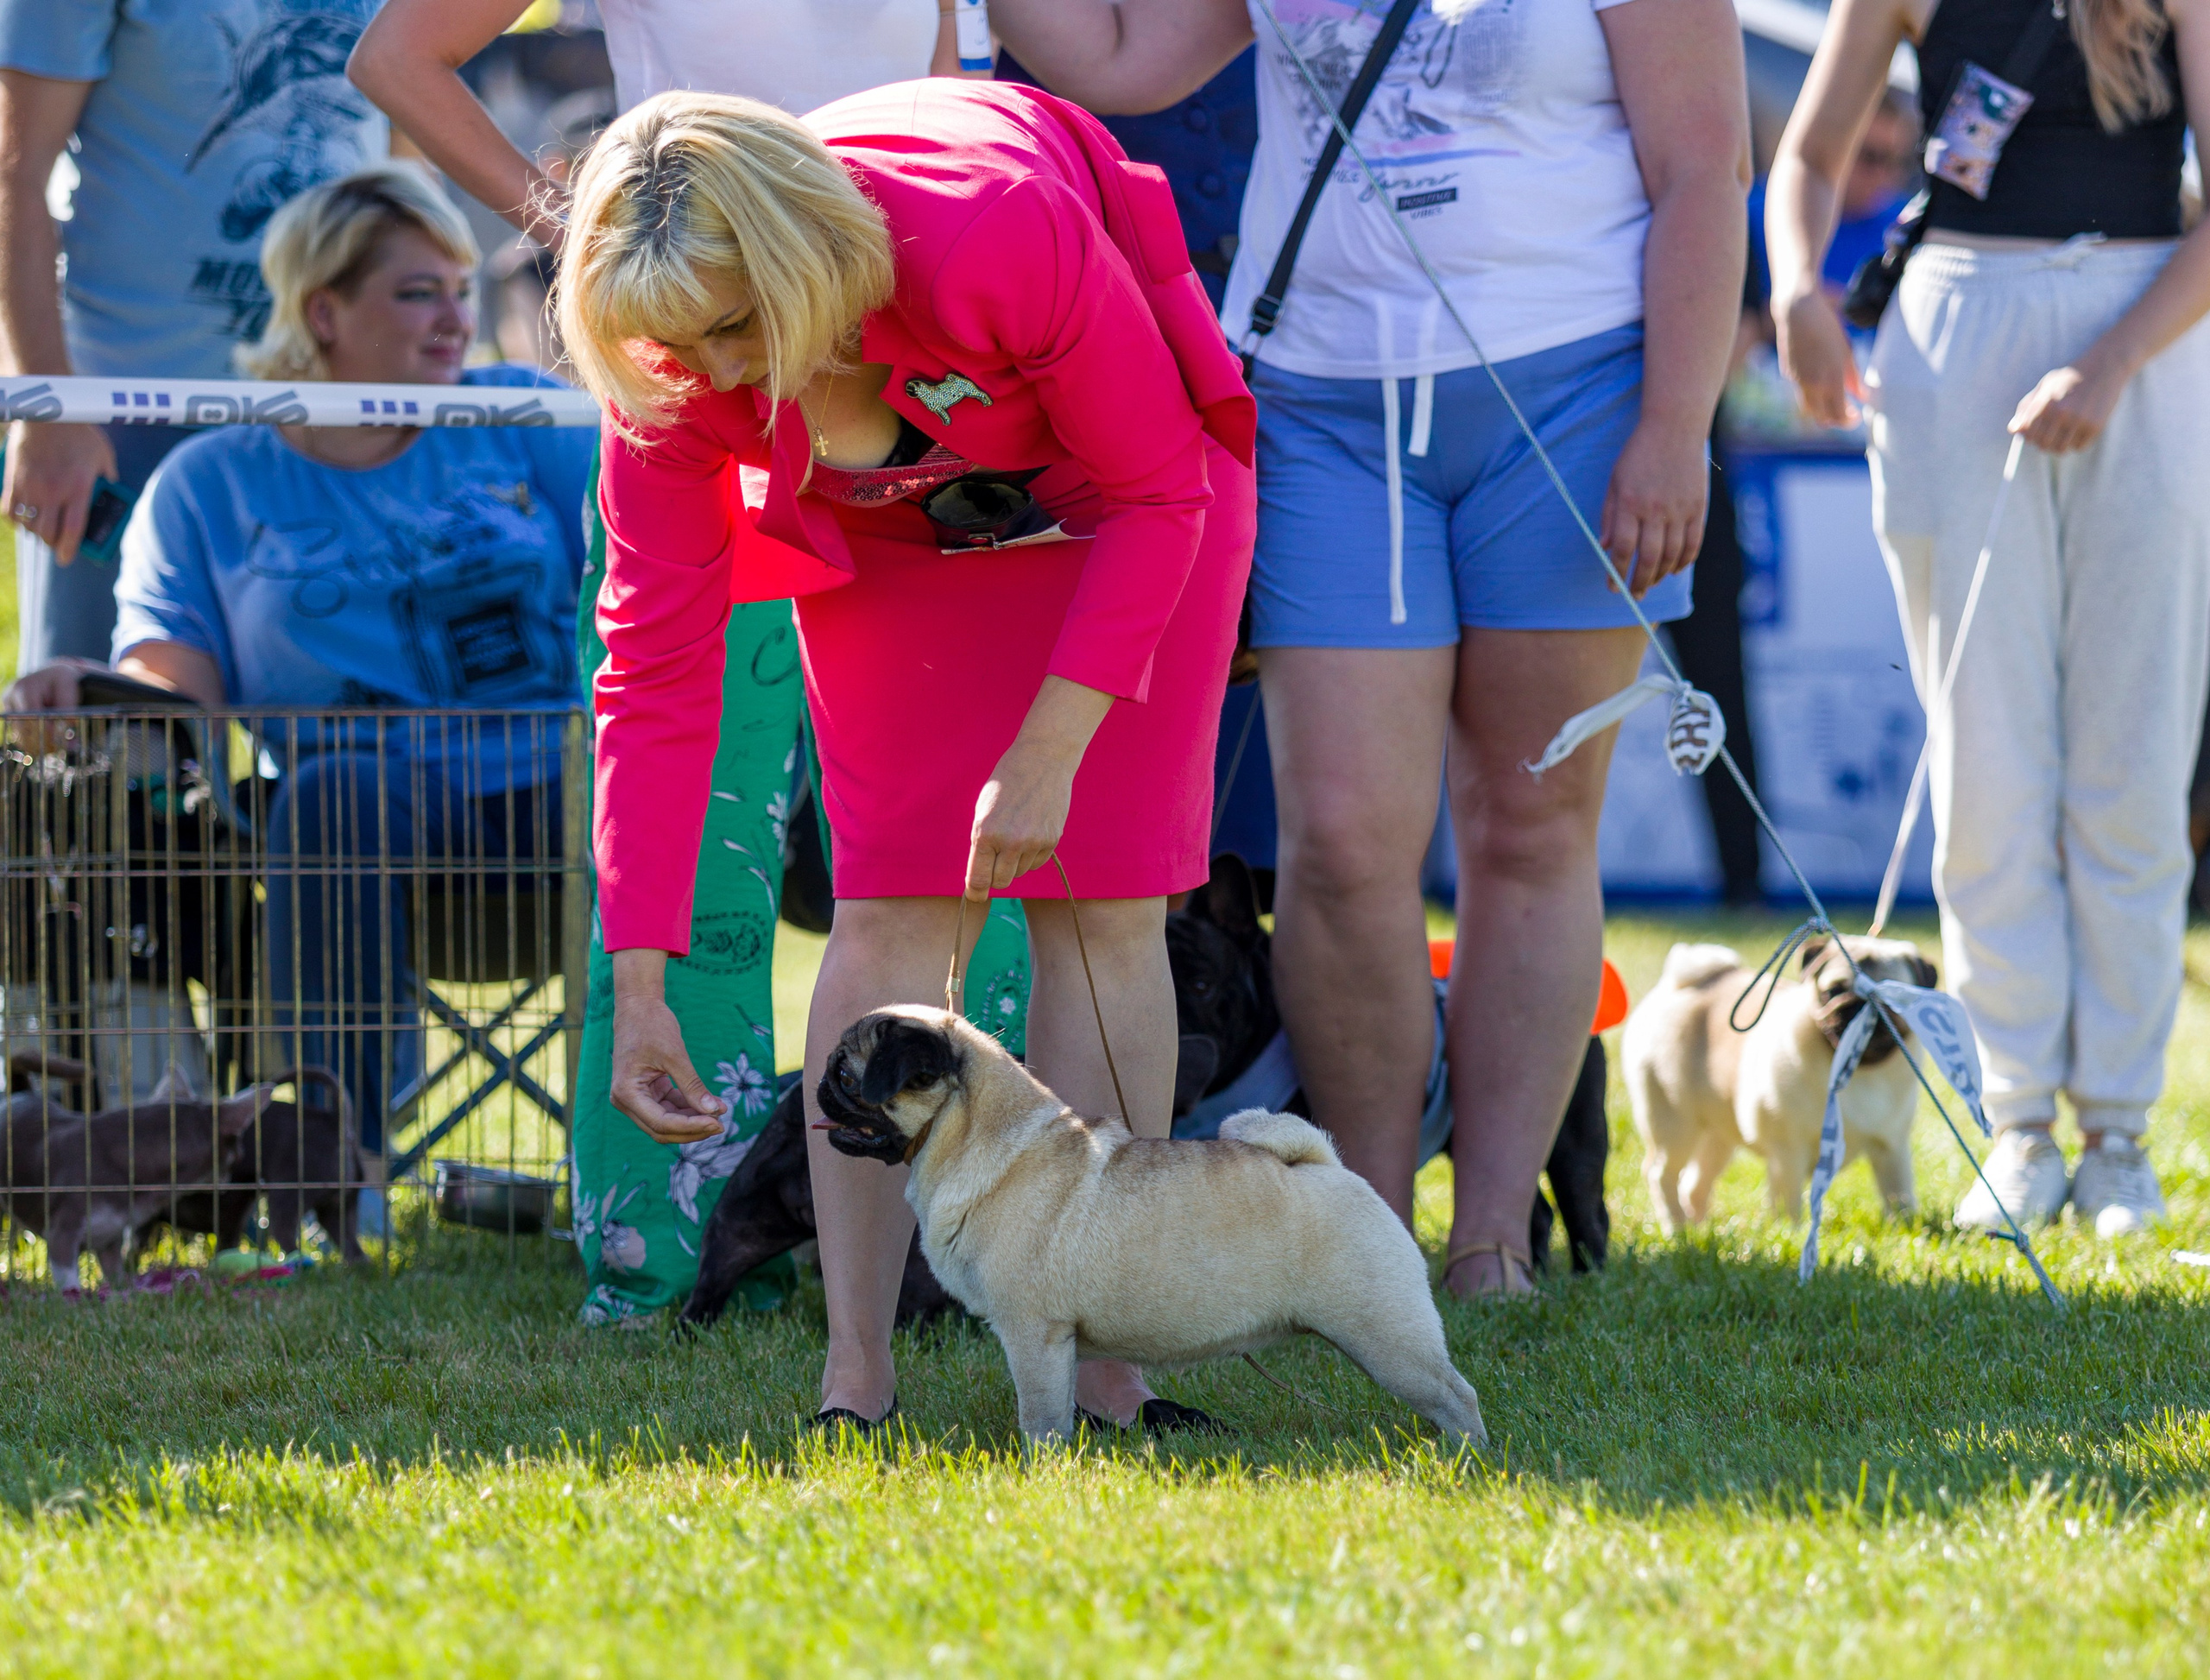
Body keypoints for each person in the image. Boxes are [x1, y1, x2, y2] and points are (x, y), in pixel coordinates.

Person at [991, 0, 1750, 1295]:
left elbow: (1706, 168)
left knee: (1530, 826)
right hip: (1322, 399)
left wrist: (1676, 423)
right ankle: (1369, 1240)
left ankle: (1493, 1239)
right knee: (1341, 846)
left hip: (1572, 389)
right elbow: (1117, 58)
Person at [563, 82, 1253, 1427]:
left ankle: (1110, 1370)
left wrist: (1055, 744)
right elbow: (648, 673)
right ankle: (855, 1377)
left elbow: (1162, 485)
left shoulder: (993, 232)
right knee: (883, 910)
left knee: (1104, 908)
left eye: (735, 328)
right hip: (890, 536)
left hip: (1127, 505)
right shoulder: (670, 364)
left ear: (807, 255)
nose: (707, 374)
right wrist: (637, 980)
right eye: (670, 347)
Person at [349, 0, 1014, 1325]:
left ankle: (967, 1251)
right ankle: (667, 1255)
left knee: (964, 837)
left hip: (904, 394)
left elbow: (960, 118)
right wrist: (590, 245)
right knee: (693, 825)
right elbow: (395, 60)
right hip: (700, 408)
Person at [3, 166, 595, 1197]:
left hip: (570, 806)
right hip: (358, 835)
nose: (456, 318)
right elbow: (169, 689)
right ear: (323, 309)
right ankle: (337, 1171)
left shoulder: (525, 414)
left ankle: (641, 1163)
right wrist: (84, 684)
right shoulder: (213, 482)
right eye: (418, 292)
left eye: (461, 289)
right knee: (333, 787)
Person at [1769, 0, 2210, 1237]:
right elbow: (1806, 156)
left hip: (2154, 340)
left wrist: (2113, 361)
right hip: (1954, 337)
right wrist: (1798, 285)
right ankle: (2016, 1122)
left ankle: (2118, 1134)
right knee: (1985, 758)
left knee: (2133, 756)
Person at [1, 0, 392, 673]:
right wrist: (47, 405)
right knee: (104, 748)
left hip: (334, 416)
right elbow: (13, 175)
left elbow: (411, 183)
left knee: (343, 752)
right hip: (123, 420)